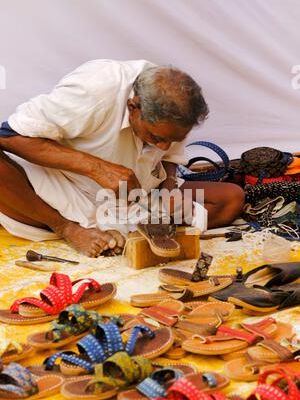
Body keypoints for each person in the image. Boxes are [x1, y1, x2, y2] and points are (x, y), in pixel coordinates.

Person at [0, 59, 244, 257]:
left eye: (174, 138)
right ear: (133, 106)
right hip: (63, 192)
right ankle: (68, 229)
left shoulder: (177, 107)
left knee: (231, 198)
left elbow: (169, 155)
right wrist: (97, 168)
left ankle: (132, 231)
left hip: (135, 199)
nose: (164, 146)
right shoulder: (94, 89)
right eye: (155, 136)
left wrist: (168, 188)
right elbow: (8, 136)